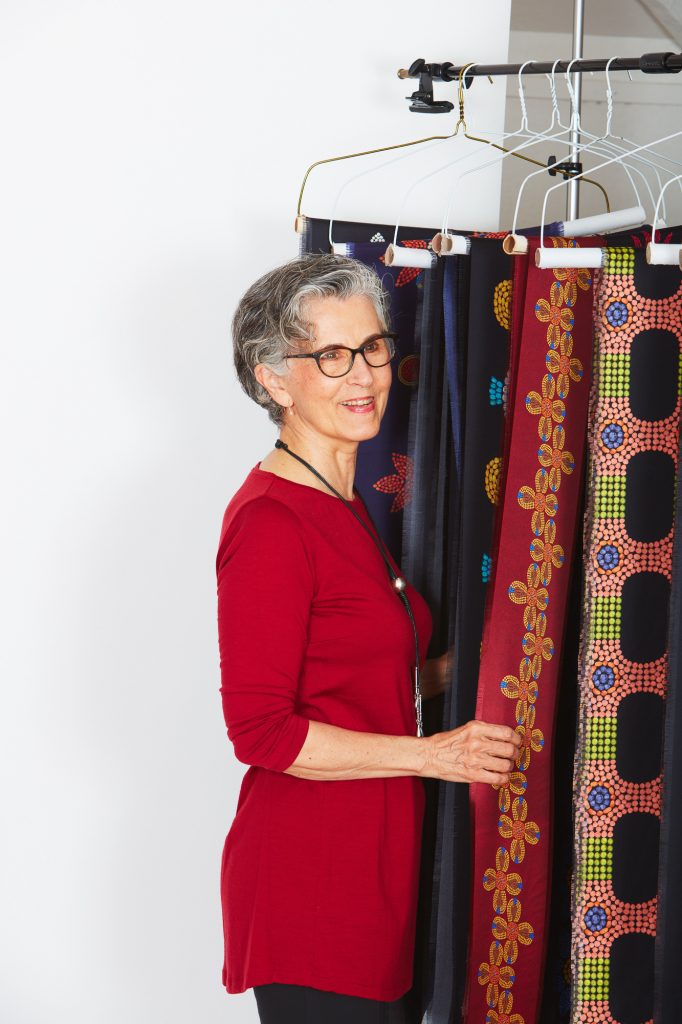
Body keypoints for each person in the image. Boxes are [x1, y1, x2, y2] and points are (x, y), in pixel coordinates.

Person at [215, 253, 521, 1024]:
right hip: (311, 887)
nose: (364, 376)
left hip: (373, 876)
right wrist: (433, 755)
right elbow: (261, 732)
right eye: (331, 356)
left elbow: (350, 679)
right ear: (273, 380)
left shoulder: (339, 503)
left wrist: (468, 669)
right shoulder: (272, 524)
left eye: (374, 348)